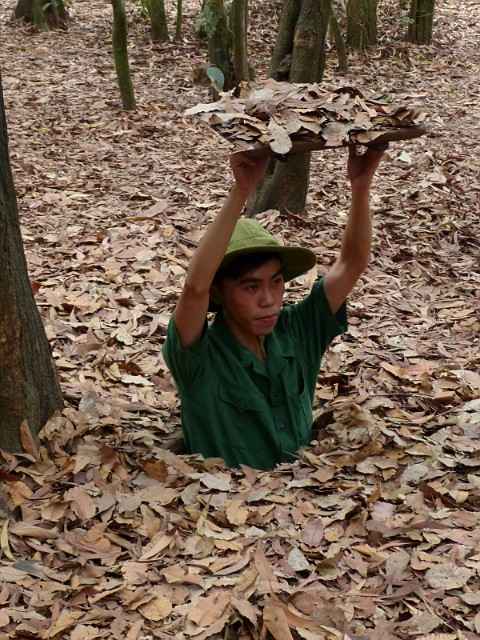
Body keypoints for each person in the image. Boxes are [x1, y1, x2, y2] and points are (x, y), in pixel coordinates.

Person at [162, 145, 385, 470]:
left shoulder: (297, 331)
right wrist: (242, 190)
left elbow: (352, 263)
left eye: (276, 282)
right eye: (251, 287)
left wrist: (361, 186)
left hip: (307, 503)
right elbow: (195, 288)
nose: (268, 298)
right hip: (225, 510)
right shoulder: (198, 359)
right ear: (219, 294)